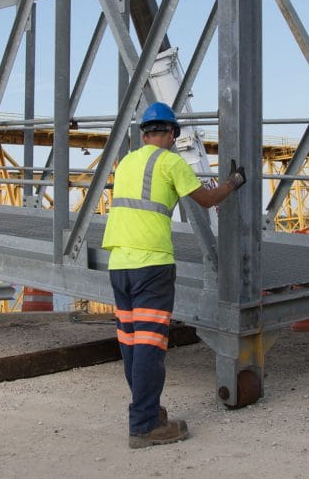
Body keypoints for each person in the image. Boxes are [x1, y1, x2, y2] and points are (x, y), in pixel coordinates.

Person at [102, 102, 246, 448]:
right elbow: (208, 200)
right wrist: (234, 181)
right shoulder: (170, 161)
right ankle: (144, 426)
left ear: (143, 133)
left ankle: (146, 410)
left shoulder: (126, 163)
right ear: (172, 134)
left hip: (119, 264)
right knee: (151, 346)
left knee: (132, 344)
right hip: (151, 265)